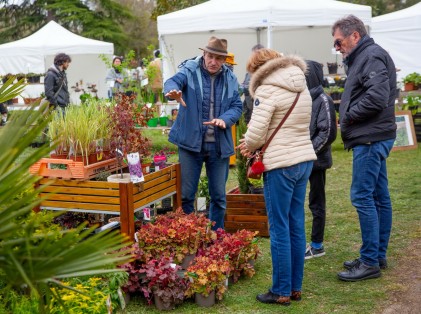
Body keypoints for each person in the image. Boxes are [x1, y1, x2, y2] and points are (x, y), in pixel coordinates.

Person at [237, 48, 316, 306]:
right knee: (296, 223)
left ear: (258, 69)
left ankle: (280, 289)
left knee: (279, 227)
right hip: (303, 158)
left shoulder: (267, 89)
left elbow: (256, 133)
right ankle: (295, 287)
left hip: (281, 164)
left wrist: (248, 145)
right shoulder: (301, 85)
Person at [332, 15, 397, 281]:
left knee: (362, 196)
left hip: (370, 138)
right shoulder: (364, 56)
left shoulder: (370, 56)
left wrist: (348, 116)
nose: (337, 47)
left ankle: (370, 261)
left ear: (354, 36)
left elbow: (378, 97)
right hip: (373, 135)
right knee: (379, 197)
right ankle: (376, 255)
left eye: (339, 41)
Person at [164, 36, 242, 230]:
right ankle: (190, 236)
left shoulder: (230, 78)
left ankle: (216, 238)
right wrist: (173, 91)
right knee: (186, 195)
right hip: (191, 144)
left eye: (218, 58)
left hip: (218, 145)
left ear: (224, 60)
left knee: (218, 197)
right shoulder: (190, 70)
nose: (213, 62)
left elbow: (236, 106)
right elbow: (172, 81)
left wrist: (225, 118)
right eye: (210, 56)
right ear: (204, 54)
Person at [304, 60, 337, 260]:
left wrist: (308, 152)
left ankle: (317, 244)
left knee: (316, 202)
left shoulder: (323, 100)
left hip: (316, 161)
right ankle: (303, 243)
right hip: (302, 159)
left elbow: (328, 133)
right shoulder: (304, 99)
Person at [241, 44, 264, 124]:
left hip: (258, 109)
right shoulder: (250, 71)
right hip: (248, 108)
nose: (253, 58)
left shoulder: (265, 71)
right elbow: (244, 83)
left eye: (255, 55)